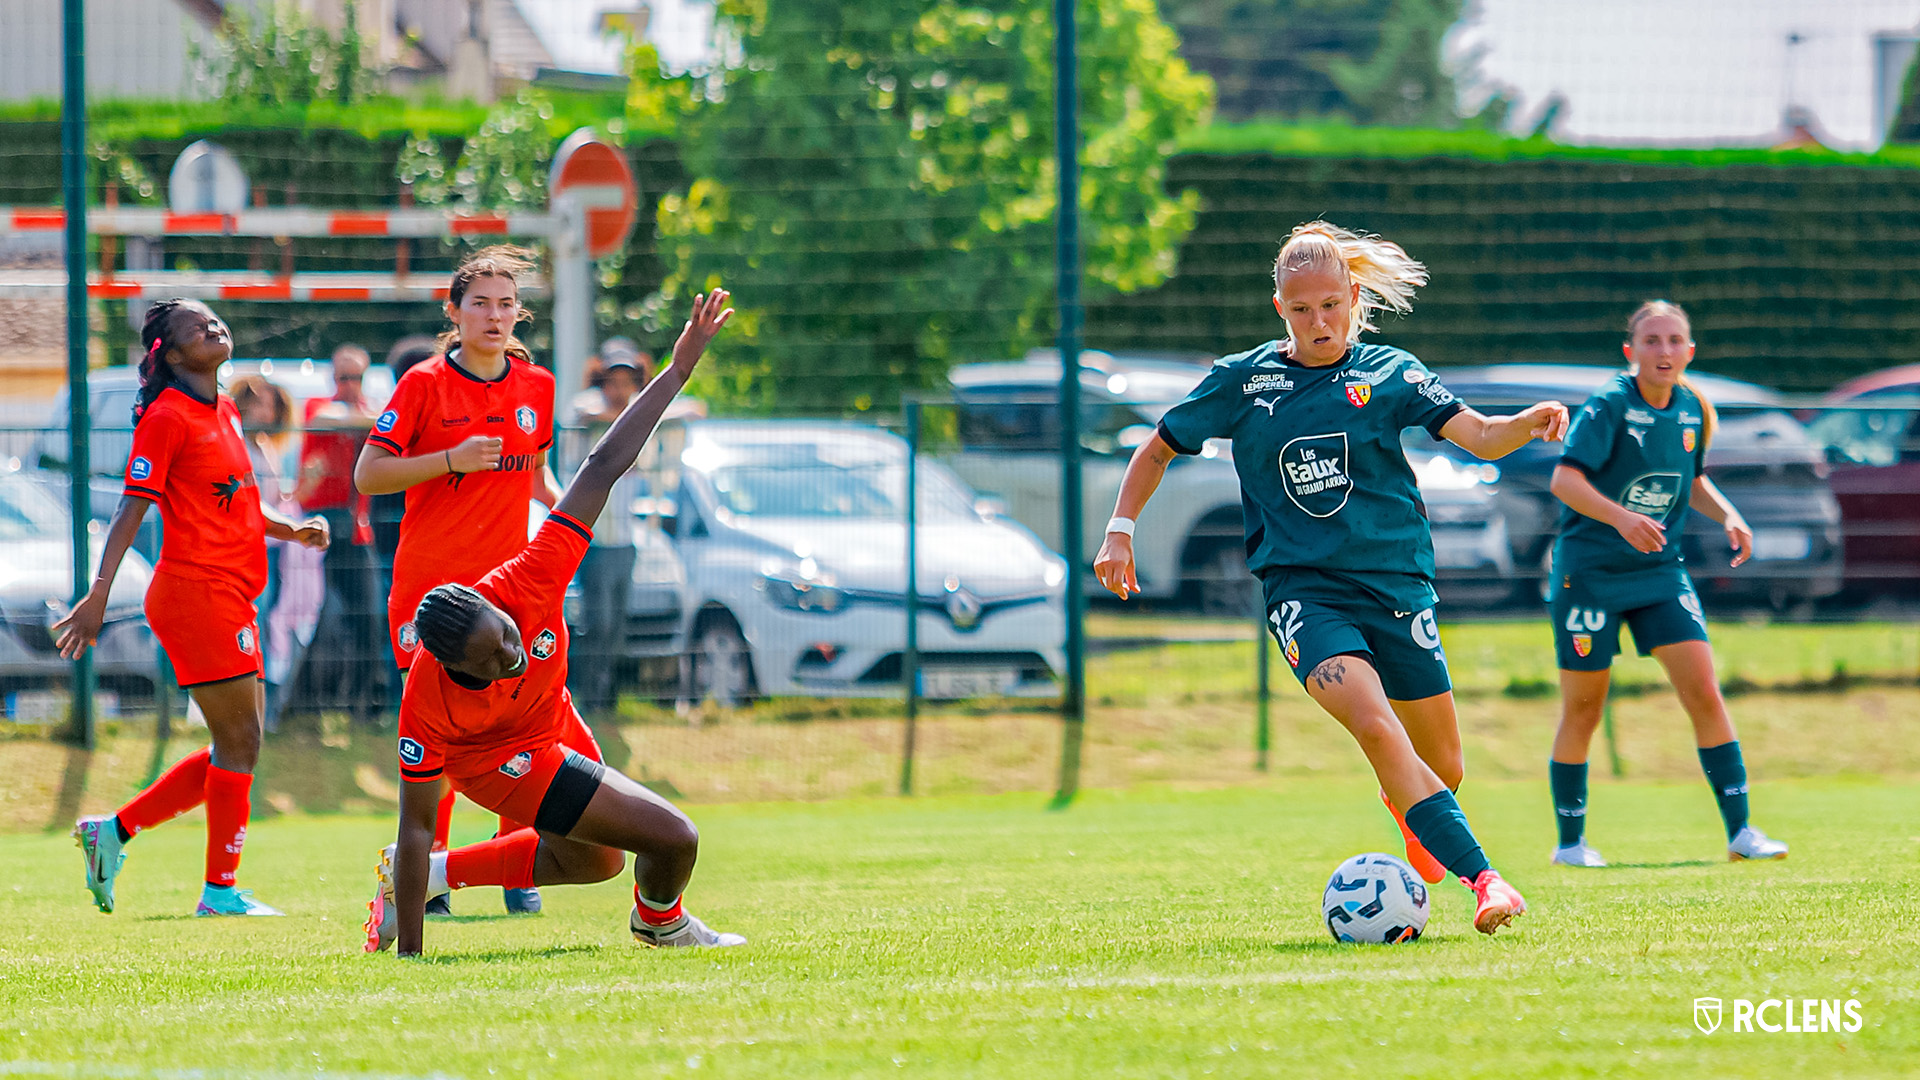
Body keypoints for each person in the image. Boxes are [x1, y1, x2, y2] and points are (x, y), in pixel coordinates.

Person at [1094, 222, 1569, 936]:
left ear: (1353, 297)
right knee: (1379, 729)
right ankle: (1488, 882)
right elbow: (1156, 450)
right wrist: (1120, 529)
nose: (1318, 322)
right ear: (1279, 307)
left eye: (1330, 306)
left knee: (1443, 763)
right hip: (1304, 594)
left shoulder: (1391, 373)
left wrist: (1526, 423)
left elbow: (1478, 435)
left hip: (1397, 587)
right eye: (1301, 308)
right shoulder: (1242, 381)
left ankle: (1410, 809)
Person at [364, 288, 739, 956]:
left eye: (509, 637)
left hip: (548, 717)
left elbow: (601, 468)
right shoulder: (426, 693)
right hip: (500, 757)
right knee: (677, 837)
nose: (513, 653)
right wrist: (412, 960)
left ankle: (436, 878)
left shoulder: (532, 578)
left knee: (597, 861)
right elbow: (416, 822)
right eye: (495, 659)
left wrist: (678, 371)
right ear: (454, 668)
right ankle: (661, 924)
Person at [54, 299, 330, 917]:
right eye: (197, 327)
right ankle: (220, 891)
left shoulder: (226, 410)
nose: (215, 327)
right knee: (242, 741)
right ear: (173, 355)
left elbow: (238, 504)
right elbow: (132, 509)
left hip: (231, 590)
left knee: (237, 744)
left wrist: (293, 531)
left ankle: (114, 833)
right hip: (194, 592)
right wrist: (98, 593)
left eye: (216, 320)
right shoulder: (168, 417)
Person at [353, 246, 565, 916]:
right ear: (454, 312)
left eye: (506, 304)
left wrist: (565, 516)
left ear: (519, 313)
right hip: (430, 593)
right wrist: (449, 459)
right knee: (437, 729)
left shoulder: (538, 386)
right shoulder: (422, 384)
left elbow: (537, 477)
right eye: (480, 304)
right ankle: (432, 871)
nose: (494, 316)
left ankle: (517, 866)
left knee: (523, 724)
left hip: (507, 590)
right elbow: (368, 475)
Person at [1543, 300, 1789, 867]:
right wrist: (1621, 518)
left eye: (1675, 341)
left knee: (1703, 690)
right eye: (1652, 341)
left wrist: (1728, 514)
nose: (1664, 351)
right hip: (1591, 575)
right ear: (1631, 352)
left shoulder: (1692, 409)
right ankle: (1571, 843)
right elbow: (1563, 479)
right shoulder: (1609, 405)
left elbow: (1692, 479)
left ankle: (1741, 833)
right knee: (1584, 707)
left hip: (1659, 573)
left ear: (1690, 352)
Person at [297, 344, 382, 722]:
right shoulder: (320, 406)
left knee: (370, 617)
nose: (348, 385)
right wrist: (372, 419)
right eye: (342, 377)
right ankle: (308, 703)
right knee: (320, 616)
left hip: (357, 532)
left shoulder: (368, 413)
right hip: (320, 528)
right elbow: (330, 417)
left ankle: (362, 704)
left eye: (356, 378)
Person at [571, 350, 650, 719]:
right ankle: (588, 699)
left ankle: (609, 700)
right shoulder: (592, 411)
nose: (620, 390)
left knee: (616, 626)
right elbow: (584, 413)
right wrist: (632, 416)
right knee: (597, 622)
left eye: (628, 383)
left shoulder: (639, 417)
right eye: (613, 382)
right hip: (596, 541)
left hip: (626, 541)